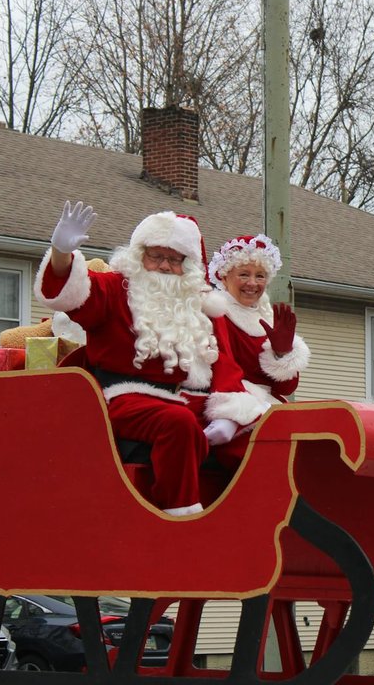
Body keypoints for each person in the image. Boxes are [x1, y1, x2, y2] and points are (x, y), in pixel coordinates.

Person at [35, 201, 268, 515]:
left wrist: (231, 416)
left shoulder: (199, 305)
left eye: (175, 259)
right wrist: (62, 253)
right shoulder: (117, 289)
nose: (165, 266)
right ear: (138, 255)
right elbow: (70, 295)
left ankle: (266, 513)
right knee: (178, 424)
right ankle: (182, 513)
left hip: (193, 401)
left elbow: (224, 364)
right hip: (127, 397)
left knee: (265, 433)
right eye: (156, 256)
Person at [207, 234, 310, 412]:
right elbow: (218, 373)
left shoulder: (268, 318)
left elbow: (286, 389)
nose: (252, 283)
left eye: (260, 276)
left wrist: (282, 353)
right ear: (224, 278)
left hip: (269, 407)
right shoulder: (216, 315)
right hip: (233, 407)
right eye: (244, 274)